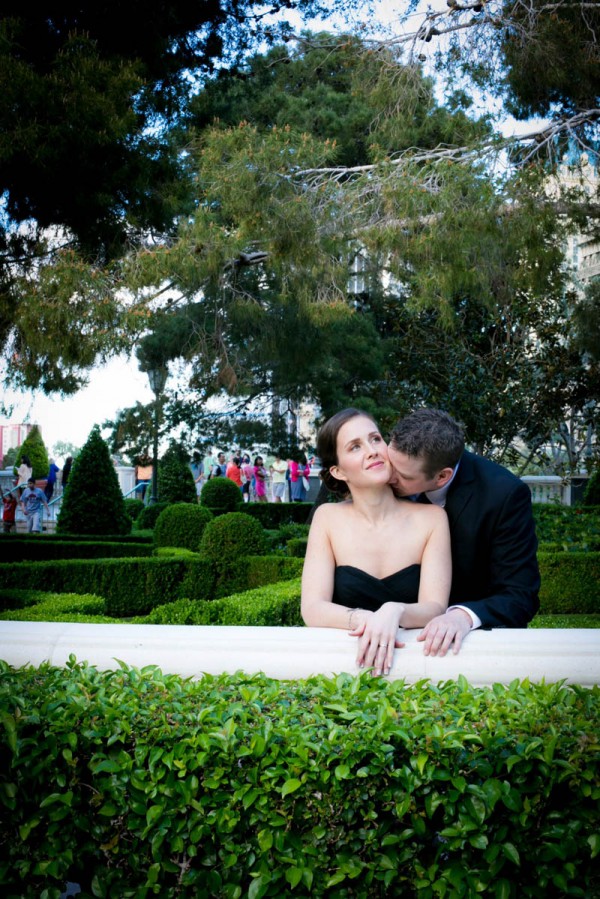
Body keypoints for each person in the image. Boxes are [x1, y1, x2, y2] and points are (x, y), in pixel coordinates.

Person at [301, 408, 451, 676]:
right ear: (338, 471)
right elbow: (312, 608)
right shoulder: (327, 519)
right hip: (344, 671)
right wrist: (366, 619)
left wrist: (395, 612)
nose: (372, 450)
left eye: (375, 439)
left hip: (414, 670)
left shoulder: (432, 519)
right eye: (355, 447)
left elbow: (435, 607)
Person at [387, 408, 540, 657]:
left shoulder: (503, 495)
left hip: (467, 650)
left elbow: (520, 595)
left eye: (402, 475)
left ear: (441, 476)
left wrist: (462, 616)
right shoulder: (383, 475)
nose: (387, 475)